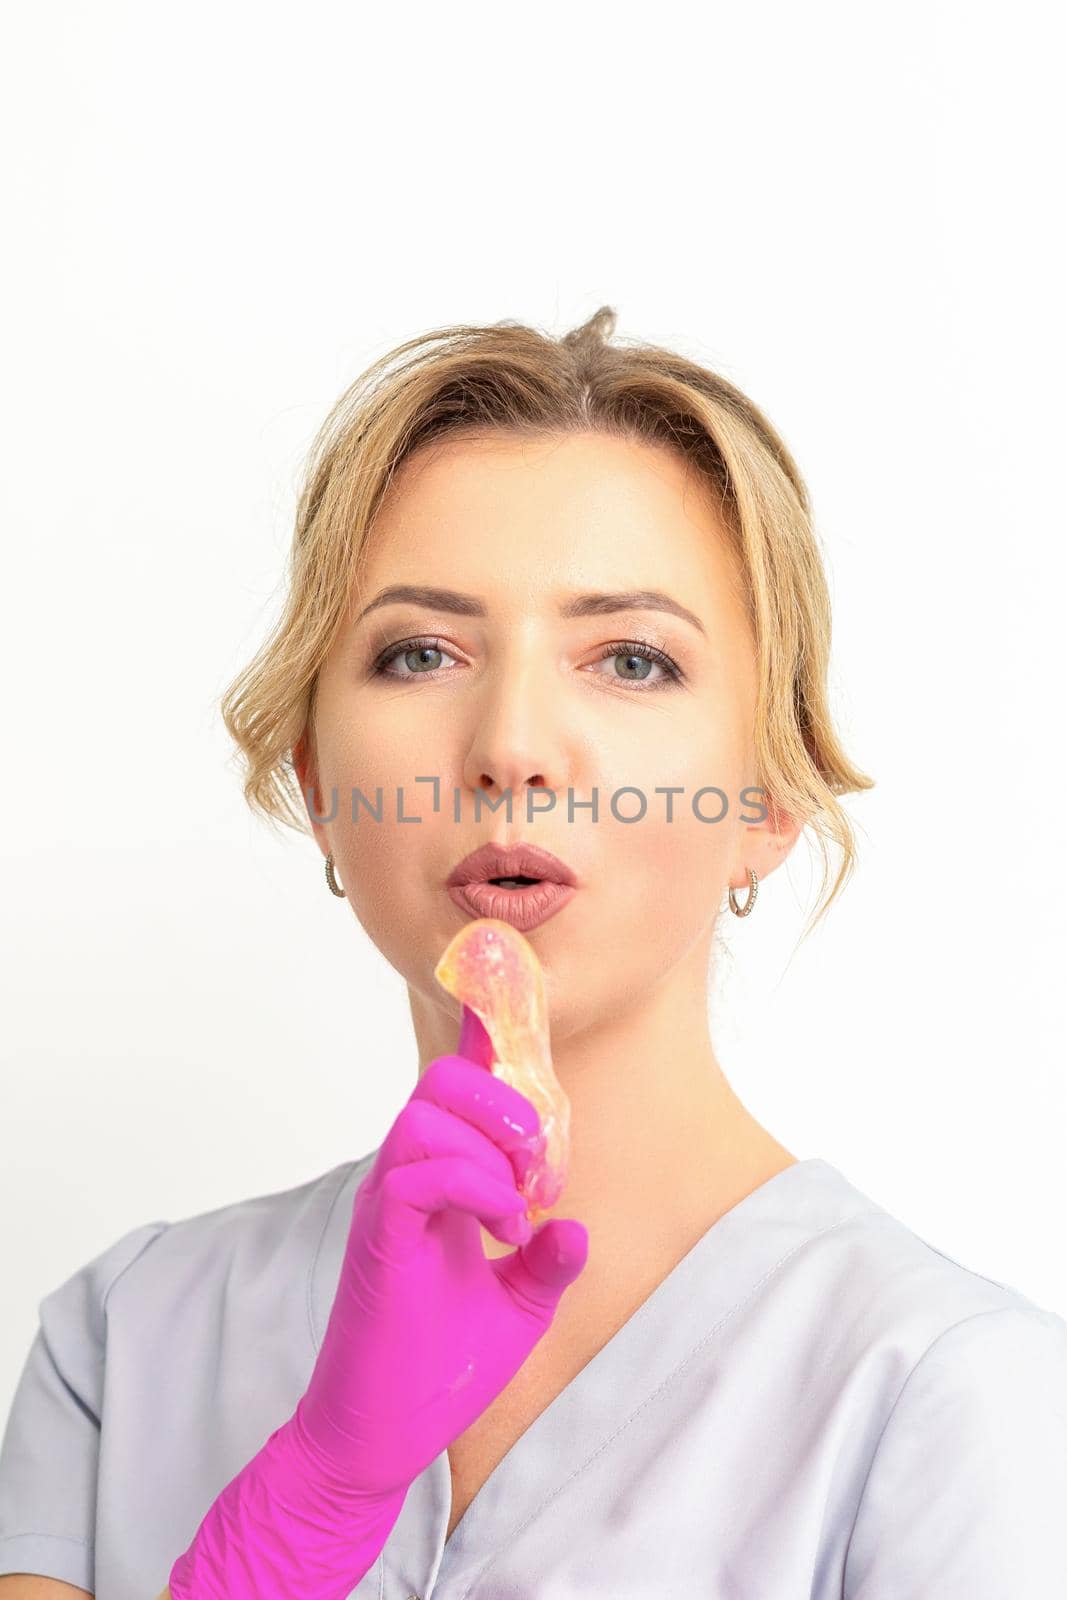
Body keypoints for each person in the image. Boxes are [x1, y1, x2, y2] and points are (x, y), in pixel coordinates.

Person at [2, 307, 1065, 1600]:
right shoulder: (127, 1342)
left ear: (768, 802)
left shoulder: (949, 1395)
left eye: (631, 659)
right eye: (419, 653)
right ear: (319, 781)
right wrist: (308, 1507)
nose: (512, 743)